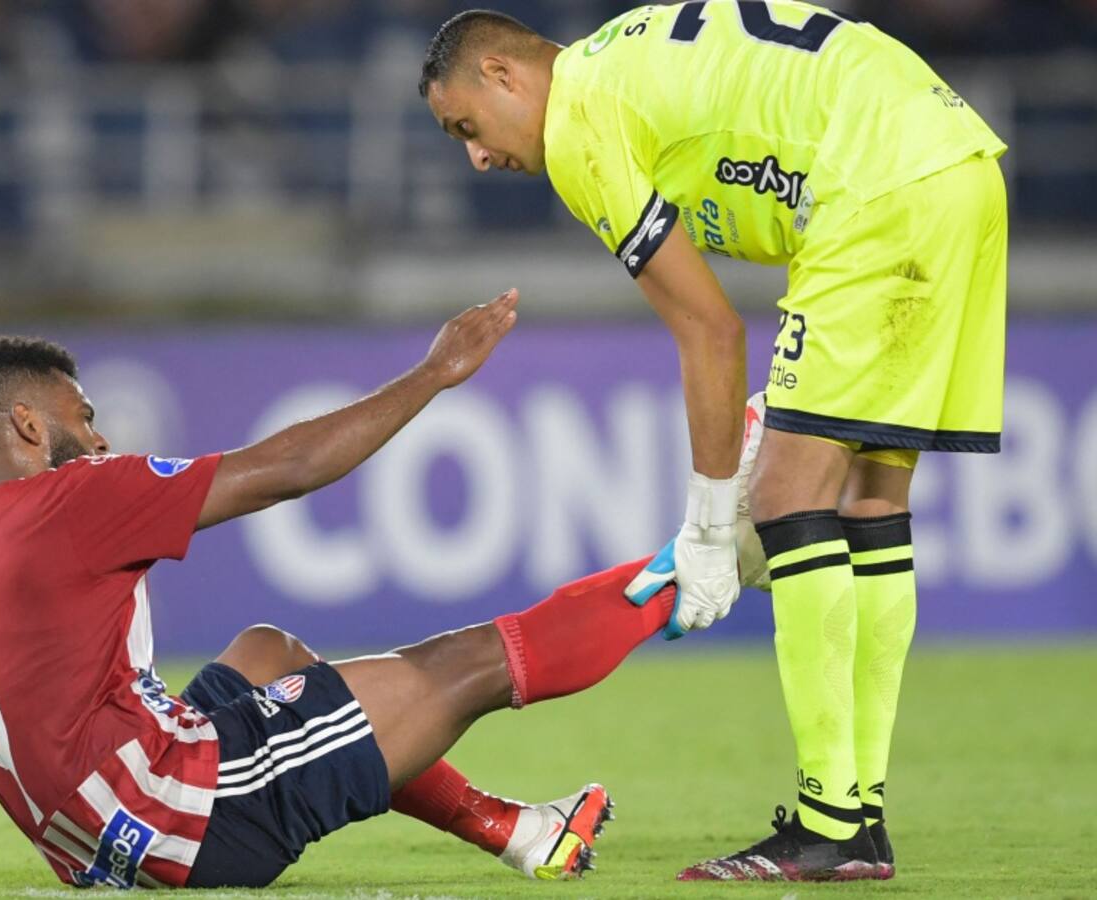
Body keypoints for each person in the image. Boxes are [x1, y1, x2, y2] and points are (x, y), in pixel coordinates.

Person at [420, 2, 1007, 883]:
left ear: (504, 74)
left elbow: (711, 332)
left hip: (876, 186)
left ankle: (829, 823)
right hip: (959, 164)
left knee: (783, 498)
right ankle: (860, 815)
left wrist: (703, 530)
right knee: (874, 496)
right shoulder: (621, 61)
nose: (476, 154)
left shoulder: (581, 123)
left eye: (467, 124)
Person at [0, 294, 762, 889]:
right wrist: (434, 374)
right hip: (185, 816)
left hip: (95, 852)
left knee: (266, 653)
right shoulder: (69, 497)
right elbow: (287, 470)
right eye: (82, 416)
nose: (100, 433)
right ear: (25, 425)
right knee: (466, 666)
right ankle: (694, 569)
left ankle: (517, 830)